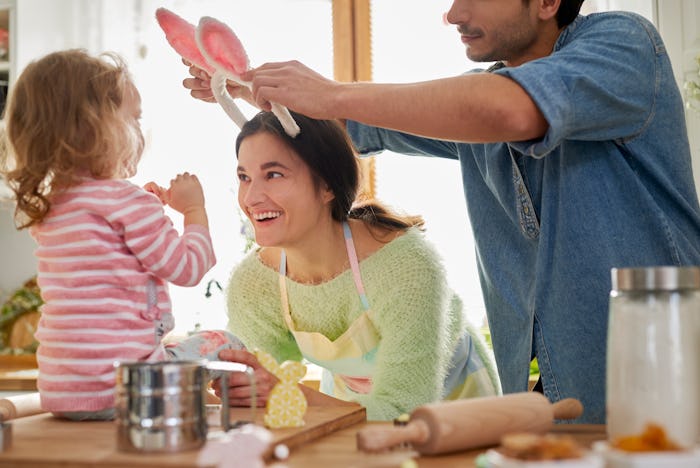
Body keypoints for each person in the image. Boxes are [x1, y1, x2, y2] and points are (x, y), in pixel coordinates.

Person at [183, 0, 700, 423]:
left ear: (546, 3)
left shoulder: (624, 43)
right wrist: (250, 89)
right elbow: (353, 127)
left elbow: (508, 108)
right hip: (552, 397)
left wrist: (332, 91)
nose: (453, 14)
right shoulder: (474, 113)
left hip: (669, 379)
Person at [214, 110, 500, 421]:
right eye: (244, 177)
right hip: (349, 407)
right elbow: (249, 388)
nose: (252, 197)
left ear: (327, 186)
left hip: (454, 410)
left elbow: (403, 408)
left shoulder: (405, 267)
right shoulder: (255, 284)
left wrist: (289, 393)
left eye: (274, 174)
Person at [0, 49, 239, 420]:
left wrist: (150, 210)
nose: (140, 131)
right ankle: (230, 421)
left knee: (170, 346)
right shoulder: (125, 201)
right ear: (97, 126)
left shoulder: (51, 208)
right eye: (135, 119)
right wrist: (193, 210)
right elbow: (188, 268)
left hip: (63, 393)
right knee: (223, 341)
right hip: (127, 391)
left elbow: (108, 265)